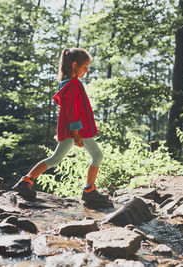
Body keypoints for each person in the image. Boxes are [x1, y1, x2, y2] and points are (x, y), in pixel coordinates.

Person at [13, 47, 108, 202]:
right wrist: (76, 134)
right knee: (97, 156)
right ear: (74, 65)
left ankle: (26, 181)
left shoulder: (69, 84)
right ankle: (89, 190)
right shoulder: (72, 85)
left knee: (55, 159)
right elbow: (72, 112)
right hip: (78, 130)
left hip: (74, 129)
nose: (86, 71)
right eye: (85, 67)